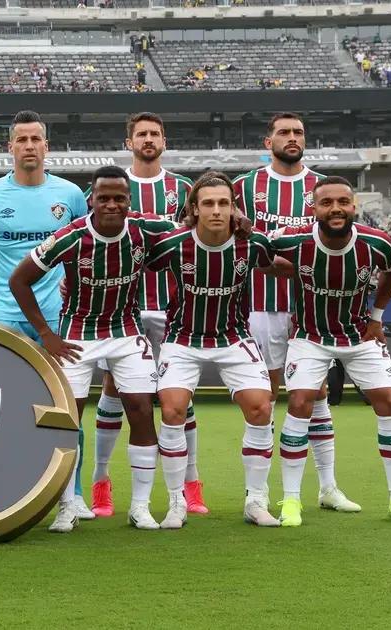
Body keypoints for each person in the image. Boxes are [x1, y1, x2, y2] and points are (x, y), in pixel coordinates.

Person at [10, 166, 176, 533]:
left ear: (130, 201)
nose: (112, 205)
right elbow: (18, 280)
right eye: (105, 198)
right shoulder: (70, 237)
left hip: (127, 332)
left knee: (141, 411)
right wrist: (45, 333)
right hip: (76, 335)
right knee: (68, 420)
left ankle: (140, 507)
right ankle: (67, 505)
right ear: (92, 200)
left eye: (120, 198)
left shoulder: (147, 229)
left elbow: (192, 236)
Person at [271, 176, 391, 526]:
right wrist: (285, 268)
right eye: (327, 202)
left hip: (358, 335)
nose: (336, 208)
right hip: (309, 335)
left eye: (343, 201)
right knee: (299, 402)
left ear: (354, 206)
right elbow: (263, 259)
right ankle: (291, 501)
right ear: (314, 208)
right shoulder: (294, 241)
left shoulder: (378, 243)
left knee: (389, 401)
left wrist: (377, 318)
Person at [0, 110, 92, 520]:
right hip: (3, 315)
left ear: (46, 146)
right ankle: (2, 489)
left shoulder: (70, 195)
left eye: (36, 139)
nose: (29, 146)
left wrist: (70, 280)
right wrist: (2, 275)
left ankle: (71, 496)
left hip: (56, 319)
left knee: (66, 406)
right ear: (11, 148)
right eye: (22, 140)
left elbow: (84, 248)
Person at [146, 171, 287, 528]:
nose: (216, 210)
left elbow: (280, 266)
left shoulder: (252, 244)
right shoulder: (173, 244)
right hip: (183, 338)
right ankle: (177, 502)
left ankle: (256, 501)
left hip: (233, 338)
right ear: (194, 209)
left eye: (223, 203)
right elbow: (136, 266)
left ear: (234, 208)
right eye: (208, 203)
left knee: (260, 406)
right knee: (174, 409)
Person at [82, 112, 206, 516]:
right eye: (141, 134)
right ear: (129, 141)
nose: (148, 140)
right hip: (125, 310)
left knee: (179, 398)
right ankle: (102, 481)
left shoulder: (183, 188)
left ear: (164, 141)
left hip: (174, 308)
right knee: (115, 390)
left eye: (155, 134)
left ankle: (191, 484)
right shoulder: (114, 186)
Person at [232, 112, 358, 512]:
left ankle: (327, 487)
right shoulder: (245, 186)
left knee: (317, 394)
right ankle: (261, 493)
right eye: (284, 132)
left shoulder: (322, 189)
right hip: (261, 305)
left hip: (311, 308)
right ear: (267, 141)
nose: (292, 138)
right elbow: (236, 243)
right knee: (267, 397)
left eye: (298, 132)